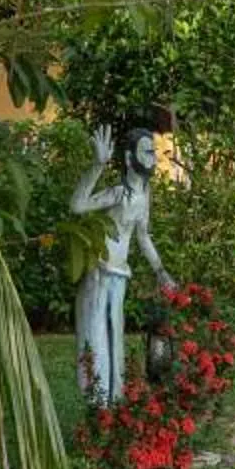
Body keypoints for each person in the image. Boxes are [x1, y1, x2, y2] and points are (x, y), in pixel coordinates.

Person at [69, 122, 177, 406]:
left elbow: (142, 236)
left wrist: (160, 271)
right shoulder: (118, 193)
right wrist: (97, 165)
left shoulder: (144, 195)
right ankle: (96, 405)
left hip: (119, 277)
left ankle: (114, 405)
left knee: (115, 339)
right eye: (147, 151)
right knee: (95, 339)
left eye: (153, 151)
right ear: (130, 159)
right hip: (99, 274)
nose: (154, 157)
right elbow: (78, 205)